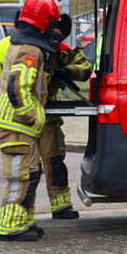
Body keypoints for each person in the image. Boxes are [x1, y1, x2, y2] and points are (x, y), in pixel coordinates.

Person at [0, 0, 59, 241]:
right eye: (52, 22)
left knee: (30, 174)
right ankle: (10, 227)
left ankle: (24, 221)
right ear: (44, 21)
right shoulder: (29, 48)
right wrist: (31, 116)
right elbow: (17, 87)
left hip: (18, 125)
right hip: (16, 124)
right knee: (20, 178)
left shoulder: (22, 43)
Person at [41, 13, 92, 219]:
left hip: (47, 115)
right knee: (28, 168)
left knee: (54, 161)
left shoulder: (61, 51)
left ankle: (61, 207)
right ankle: (22, 212)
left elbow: (85, 68)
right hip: (23, 114)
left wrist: (66, 72)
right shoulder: (24, 47)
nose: (58, 39)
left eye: (62, 36)